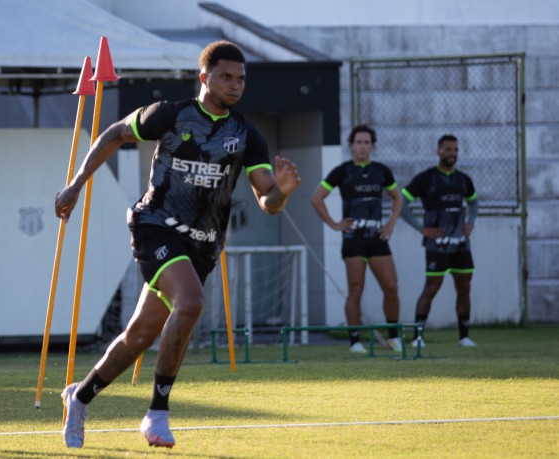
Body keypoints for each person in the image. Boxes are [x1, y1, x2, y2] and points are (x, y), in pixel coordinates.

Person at [54, 40, 300, 448]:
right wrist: (76, 185)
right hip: (155, 226)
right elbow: (113, 135)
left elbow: (268, 202)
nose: (235, 85)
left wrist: (283, 193)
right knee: (191, 302)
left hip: (202, 245)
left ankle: (78, 397)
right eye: (226, 77)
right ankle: (157, 413)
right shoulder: (169, 114)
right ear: (203, 77)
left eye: (241, 79)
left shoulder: (247, 135)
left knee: (139, 335)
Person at [309, 125, 403, 354]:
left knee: (391, 287)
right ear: (351, 145)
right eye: (358, 142)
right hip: (354, 240)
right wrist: (334, 224)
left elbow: (397, 197)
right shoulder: (342, 171)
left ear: (372, 146)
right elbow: (316, 198)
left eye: (367, 142)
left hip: (377, 237)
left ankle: (393, 337)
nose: (362, 146)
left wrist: (390, 223)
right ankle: (355, 341)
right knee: (355, 288)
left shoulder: (381, 171)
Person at [400, 134, 478, 348]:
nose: (452, 154)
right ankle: (418, 336)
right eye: (448, 149)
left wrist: (471, 222)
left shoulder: (463, 179)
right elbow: (402, 203)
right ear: (438, 151)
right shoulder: (426, 178)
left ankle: (464, 336)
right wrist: (421, 229)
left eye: (455, 150)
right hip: (437, 245)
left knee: (464, 288)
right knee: (432, 288)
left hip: (461, 244)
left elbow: (473, 202)